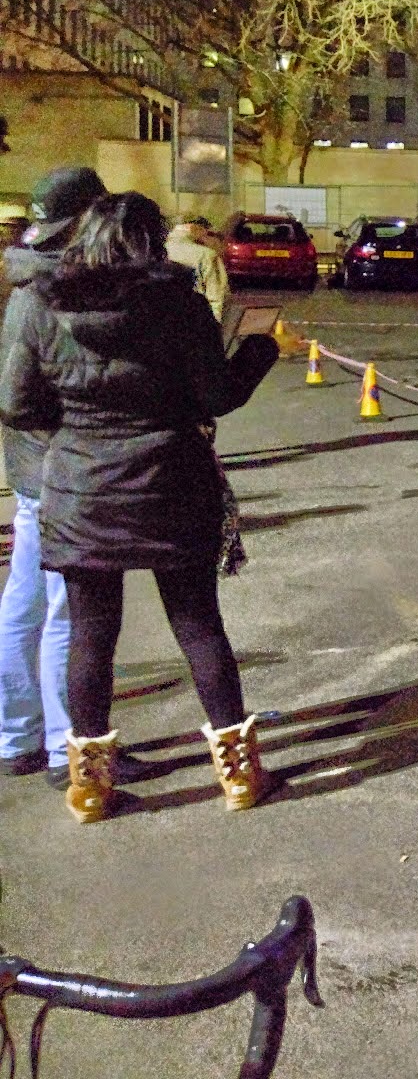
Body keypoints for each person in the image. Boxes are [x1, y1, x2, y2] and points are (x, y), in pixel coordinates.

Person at [0, 192, 279, 822]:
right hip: (172, 483)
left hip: (81, 490)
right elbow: (217, 395)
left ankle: (88, 788)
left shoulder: (36, 303)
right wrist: (261, 349)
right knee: (198, 626)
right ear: (153, 241)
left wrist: (77, 430)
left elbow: (17, 405)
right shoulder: (178, 302)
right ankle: (238, 777)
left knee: (91, 638)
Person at [0, 167, 104, 790]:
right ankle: (72, 750)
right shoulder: (43, 290)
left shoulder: (21, 281)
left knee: (28, 599)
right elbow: (15, 396)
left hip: (31, 469)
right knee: (69, 610)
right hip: (53, 472)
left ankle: (17, 736)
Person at [167, 212, 230, 320]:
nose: (205, 238)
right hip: (193, 322)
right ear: (194, 228)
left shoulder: (154, 251)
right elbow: (216, 298)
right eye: (206, 233)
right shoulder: (206, 255)